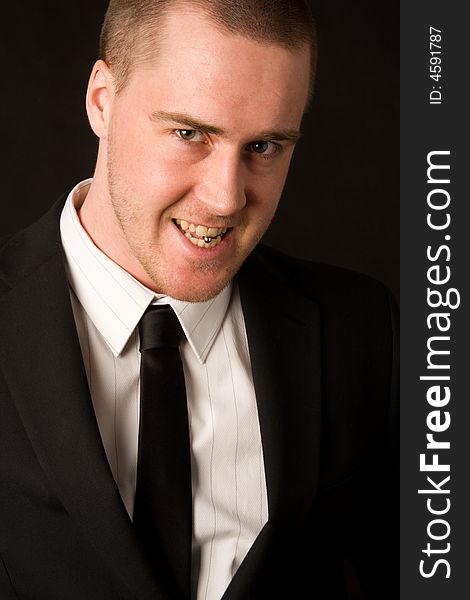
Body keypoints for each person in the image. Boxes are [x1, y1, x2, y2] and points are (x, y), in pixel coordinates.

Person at [0, 1, 398, 599]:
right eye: (190, 134)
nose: (225, 198)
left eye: (264, 146)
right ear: (102, 101)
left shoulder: (365, 332)